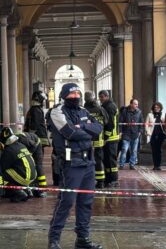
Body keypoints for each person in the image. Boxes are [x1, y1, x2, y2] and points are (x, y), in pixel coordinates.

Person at [48, 83, 103, 249]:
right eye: (72, 94)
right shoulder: (57, 112)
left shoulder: (84, 111)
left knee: (86, 202)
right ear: (64, 96)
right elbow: (69, 132)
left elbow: (98, 129)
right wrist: (87, 133)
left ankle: (83, 239)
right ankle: (54, 240)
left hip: (88, 163)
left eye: (77, 93)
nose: (76, 96)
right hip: (71, 164)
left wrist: (84, 127)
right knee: (66, 201)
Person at [0, 127, 37, 203]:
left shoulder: (8, 150)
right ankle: (28, 190)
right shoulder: (20, 145)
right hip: (32, 176)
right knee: (15, 171)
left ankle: (19, 192)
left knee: (1, 176)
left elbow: (2, 167)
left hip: (25, 177)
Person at [83, 91, 109, 189]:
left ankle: (87, 181)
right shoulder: (101, 109)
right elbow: (106, 122)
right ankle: (101, 182)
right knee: (98, 160)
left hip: (86, 139)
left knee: (86, 159)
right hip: (99, 139)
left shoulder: (83, 110)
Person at [15, 130, 47, 197]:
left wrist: (29, 154)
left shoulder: (21, 139)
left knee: (38, 165)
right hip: (30, 145)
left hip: (36, 144)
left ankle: (43, 188)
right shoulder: (14, 142)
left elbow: (33, 145)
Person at [98, 90, 120, 187]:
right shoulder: (105, 106)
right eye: (100, 97)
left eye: (102, 97)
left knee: (111, 160)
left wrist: (106, 137)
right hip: (108, 138)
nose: (101, 99)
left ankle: (114, 179)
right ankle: (108, 179)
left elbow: (110, 124)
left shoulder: (110, 106)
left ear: (107, 96)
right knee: (106, 160)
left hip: (111, 138)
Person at [118, 99, 143, 170]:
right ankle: (121, 164)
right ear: (131, 104)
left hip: (135, 134)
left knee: (134, 150)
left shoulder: (139, 112)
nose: (137, 105)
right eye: (135, 104)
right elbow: (120, 122)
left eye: (137, 104)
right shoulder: (124, 111)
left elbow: (141, 122)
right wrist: (120, 131)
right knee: (124, 149)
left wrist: (140, 131)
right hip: (126, 133)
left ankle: (132, 164)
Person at [145, 102, 166, 170]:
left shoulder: (163, 114)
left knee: (159, 150)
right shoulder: (150, 115)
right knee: (154, 150)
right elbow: (146, 124)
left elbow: (165, 124)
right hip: (152, 134)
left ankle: (159, 165)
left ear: (160, 108)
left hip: (160, 134)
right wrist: (147, 131)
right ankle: (155, 165)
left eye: (158, 107)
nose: (156, 109)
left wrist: (163, 123)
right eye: (155, 107)